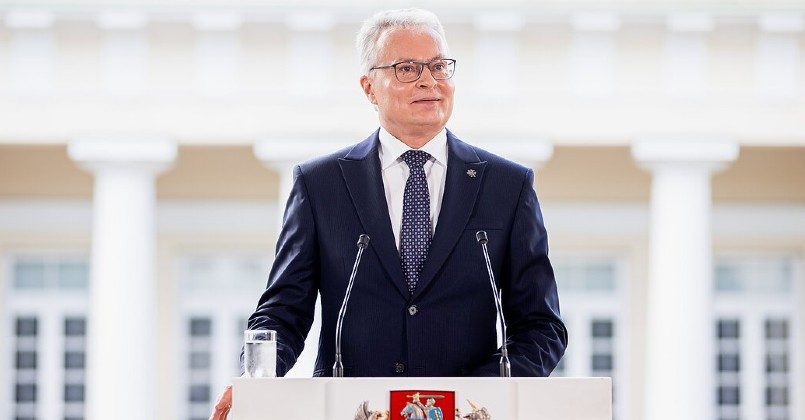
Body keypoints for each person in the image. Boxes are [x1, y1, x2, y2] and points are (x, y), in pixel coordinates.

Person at [210, 8, 567, 419]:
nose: (429, 81)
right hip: (351, 410)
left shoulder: (507, 185)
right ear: (369, 88)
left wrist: (473, 396)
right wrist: (256, 379)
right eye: (407, 68)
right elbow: (284, 310)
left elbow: (542, 327)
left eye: (439, 67)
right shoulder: (320, 184)